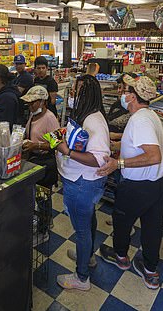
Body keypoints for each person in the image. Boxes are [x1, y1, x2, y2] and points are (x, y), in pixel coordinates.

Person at [97, 75, 163, 290]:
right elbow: (139, 143)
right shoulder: (149, 115)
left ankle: (120, 257)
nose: (122, 94)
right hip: (156, 184)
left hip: (138, 186)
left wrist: (118, 163)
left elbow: (153, 155)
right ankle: (150, 271)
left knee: (121, 221)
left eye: (126, 91)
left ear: (133, 97)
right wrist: (118, 140)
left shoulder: (140, 120)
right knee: (152, 228)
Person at [55, 75, 110, 291]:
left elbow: (98, 157)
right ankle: (87, 257)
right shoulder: (90, 115)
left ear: (84, 94)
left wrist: (66, 151)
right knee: (88, 220)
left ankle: (82, 277)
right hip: (86, 181)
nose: (72, 95)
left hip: (82, 183)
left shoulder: (92, 120)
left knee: (81, 231)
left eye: (75, 91)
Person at [22, 85, 60, 188]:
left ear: (43, 102)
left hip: (45, 162)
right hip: (33, 160)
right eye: (28, 103)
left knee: (43, 196)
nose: (30, 106)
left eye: (33, 103)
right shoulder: (33, 114)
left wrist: (36, 145)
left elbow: (57, 143)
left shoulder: (50, 118)